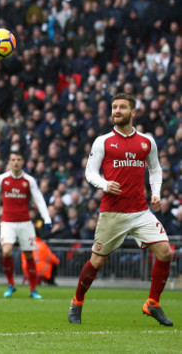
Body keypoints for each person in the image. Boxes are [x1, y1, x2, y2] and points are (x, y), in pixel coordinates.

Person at [68, 93, 174, 327]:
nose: (116, 111)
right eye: (114, 107)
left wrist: (155, 193)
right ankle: (77, 301)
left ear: (133, 112)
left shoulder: (147, 142)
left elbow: (155, 170)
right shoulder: (103, 141)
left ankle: (152, 304)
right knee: (96, 263)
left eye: (122, 107)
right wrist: (105, 184)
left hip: (140, 211)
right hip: (112, 213)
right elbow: (90, 173)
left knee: (166, 253)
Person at [0, 149, 52, 299]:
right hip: (7, 222)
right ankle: (11, 284)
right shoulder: (2, 179)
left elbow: (38, 199)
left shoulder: (29, 180)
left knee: (28, 255)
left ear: (23, 162)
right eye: (13, 159)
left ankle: (33, 289)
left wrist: (47, 219)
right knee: (6, 251)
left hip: (25, 223)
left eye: (18, 159)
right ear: (9, 162)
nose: (15, 162)